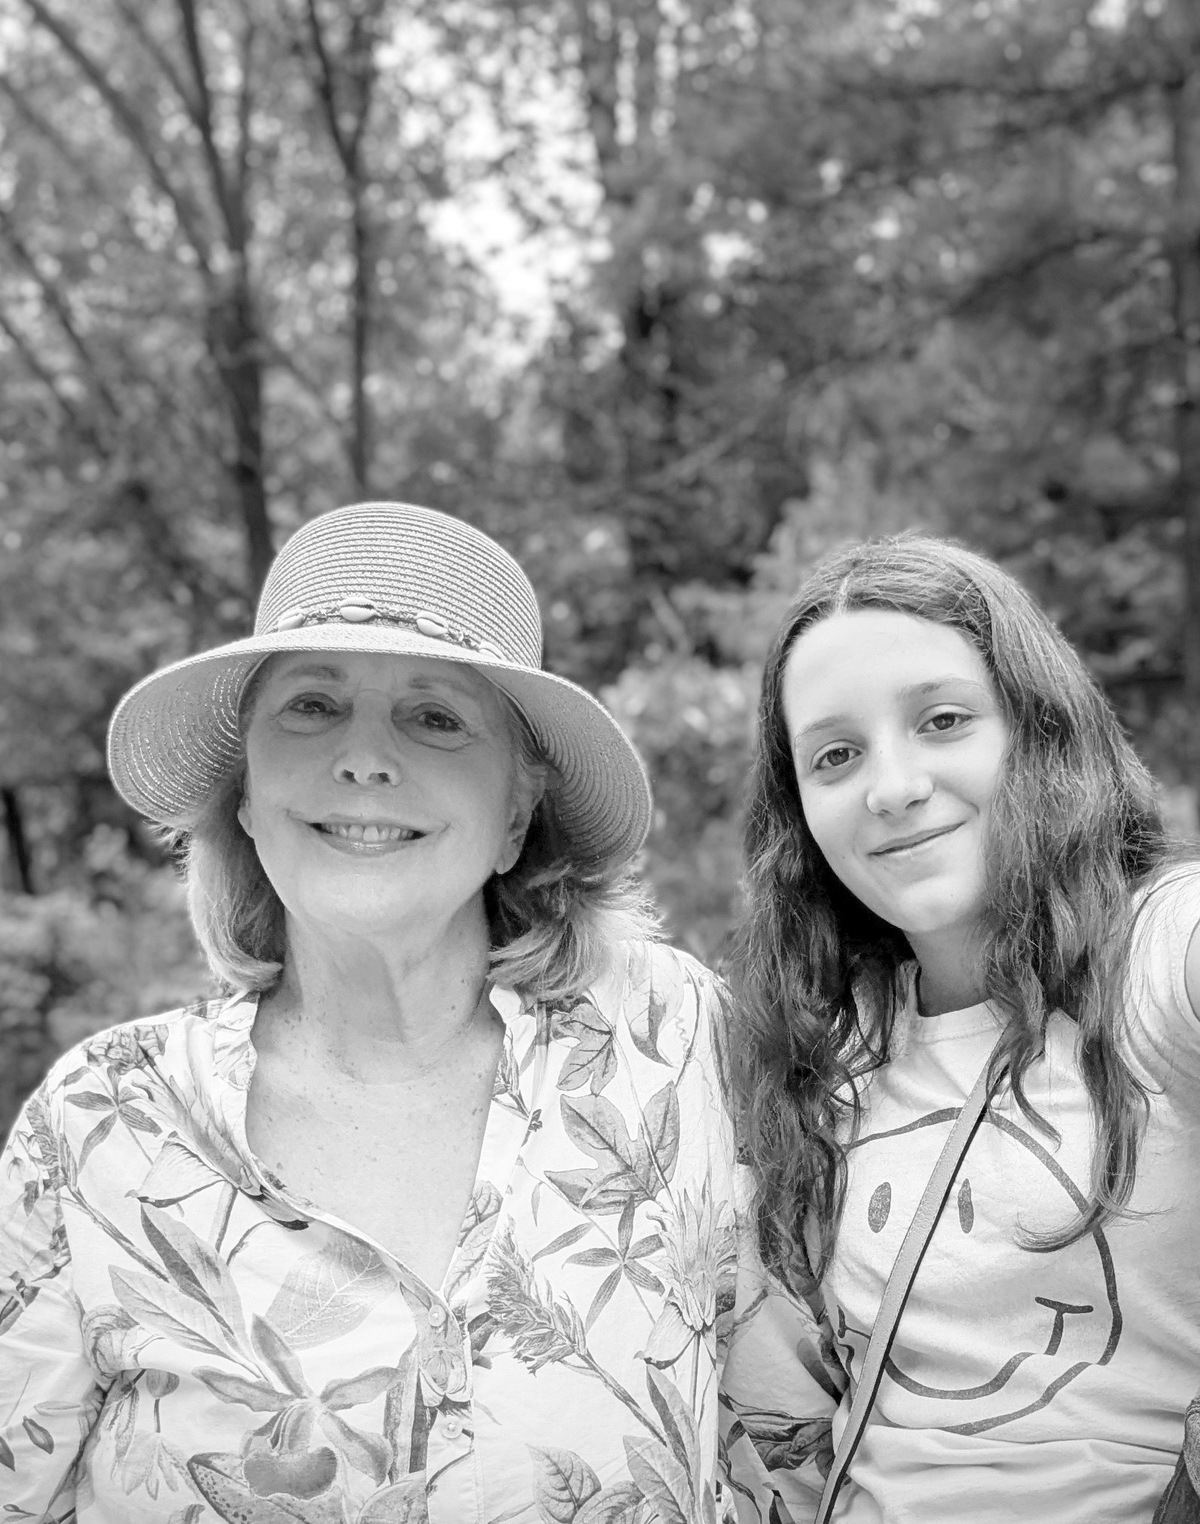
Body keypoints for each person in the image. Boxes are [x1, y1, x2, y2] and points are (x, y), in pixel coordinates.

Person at [0, 501, 839, 1523]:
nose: (363, 759)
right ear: (248, 798)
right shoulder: (101, 1124)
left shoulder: (667, 1043)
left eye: (435, 716)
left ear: (515, 817)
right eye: (311, 705)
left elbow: (788, 1453)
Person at [725, 533, 1200, 1524]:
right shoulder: (832, 1043)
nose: (891, 787)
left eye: (942, 721)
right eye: (836, 755)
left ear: (1036, 730)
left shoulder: (1159, 959)